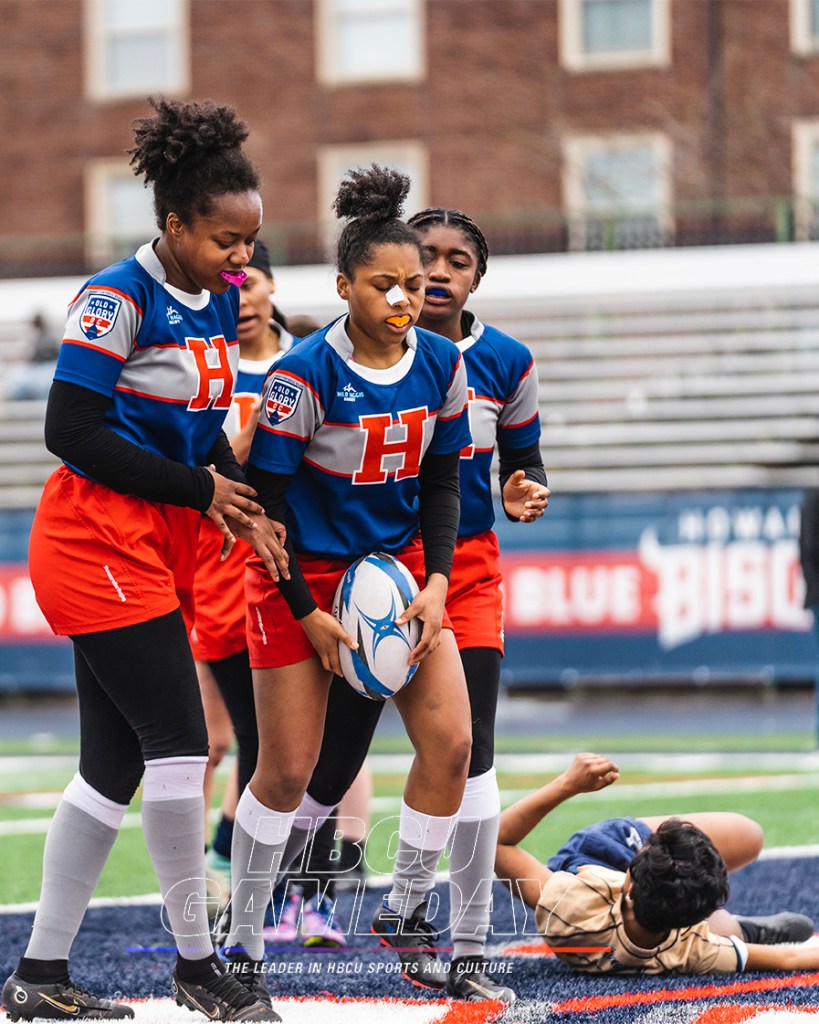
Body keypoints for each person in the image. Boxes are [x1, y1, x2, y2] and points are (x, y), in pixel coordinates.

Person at [2, 98, 288, 1023]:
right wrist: (203, 493)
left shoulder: (209, 302)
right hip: (94, 539)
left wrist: (242, 504)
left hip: (153, 541)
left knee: (111, 769)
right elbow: (69, 430)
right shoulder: (115, 296)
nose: (239, 260)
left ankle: (40, 978)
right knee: (184, 746)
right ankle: (199, 965)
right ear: (171, 223)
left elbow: (204, 439)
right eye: (221, 240)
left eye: (248, 241)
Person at [268, 207, 549, 1002]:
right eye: (418, 260)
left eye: (452, 262)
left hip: (459, 566)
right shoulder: (323, 364)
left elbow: (517, 465)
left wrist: (526, 489)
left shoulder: (501, 360)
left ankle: (458, 938)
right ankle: (295, 884)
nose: (430, 277)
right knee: (327, 758)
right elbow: (275, 489)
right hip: (363, 566)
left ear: (472, 278)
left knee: (468, 747)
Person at [219, 164, 474, 1002]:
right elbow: (267, 508)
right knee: (286, 773)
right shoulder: (302, 375)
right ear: (343, 286)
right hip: (299, 574)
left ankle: (404, 910)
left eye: (414, 283)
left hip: (395, 573)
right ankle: (244, 941)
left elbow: (443, 482)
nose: (404, 298)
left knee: (452, 744)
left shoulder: (441, 362)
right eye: (383, 285)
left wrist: (435, 581)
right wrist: (306, 613)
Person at [494, 752, 816, 975]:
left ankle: (733, 927)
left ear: (631, 879)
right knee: (751, 838)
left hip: (594, 859)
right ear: (688, 925)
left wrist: (567, 784)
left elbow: (494, 843)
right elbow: (789, 958)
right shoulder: (690, 948)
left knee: (742, 854)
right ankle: (737, 928)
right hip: (639, 898)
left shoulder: (571, 903)